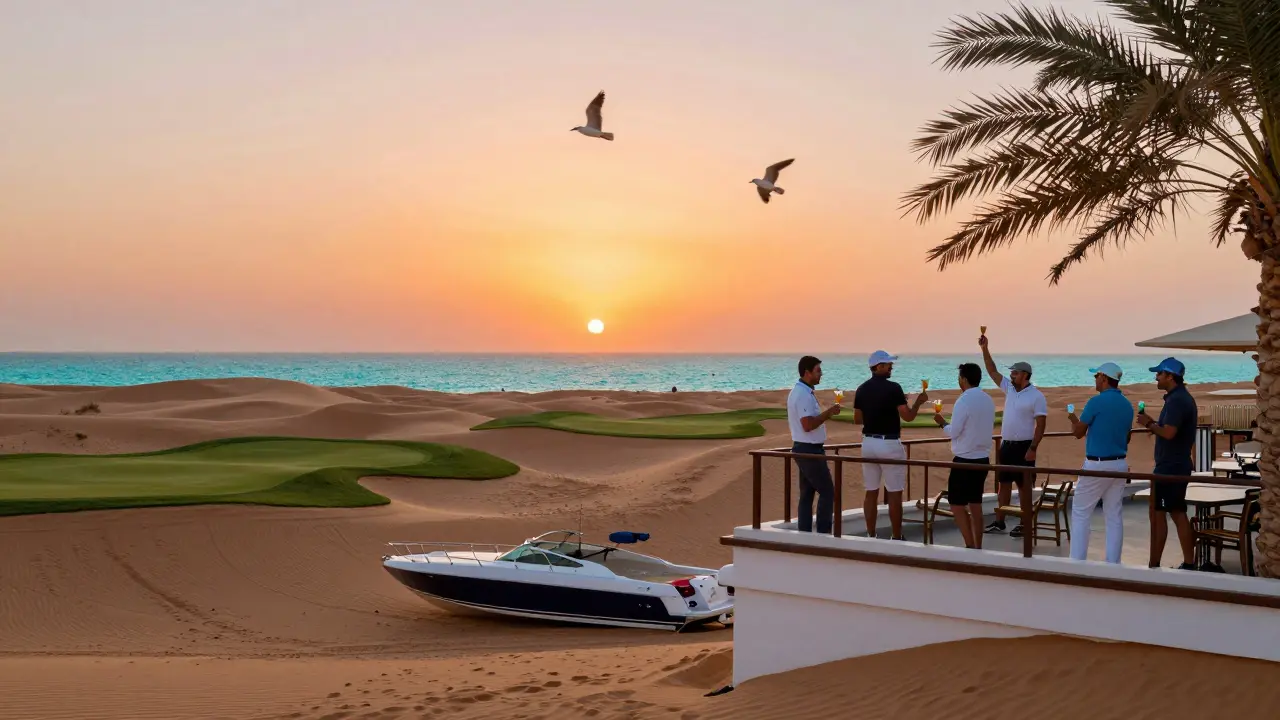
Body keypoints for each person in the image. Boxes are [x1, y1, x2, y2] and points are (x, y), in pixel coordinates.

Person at [853, 350, 929, 539]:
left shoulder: (861, 389)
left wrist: (875, 412)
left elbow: (857, 419)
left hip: (868, 443)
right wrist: (918, 403)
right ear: (878, 366)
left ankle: (871, 535)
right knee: (895, 493)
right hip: (889, 444)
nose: (891, 367)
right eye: (888, 364)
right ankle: (896, 536)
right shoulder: (894, 388)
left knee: (871, 492)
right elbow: (908, 417)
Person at [978, 332, 1048, 537]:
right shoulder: (1009, 388)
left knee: (1024, 487)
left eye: (1015, 373)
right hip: (1006, 445)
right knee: (1004, 485)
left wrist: (1033, 448)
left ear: (1025, 375)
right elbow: (992, 371)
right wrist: (984, 348)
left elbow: (1041, 425)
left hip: (1024, 446)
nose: (1012, 376)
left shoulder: (1036, 396)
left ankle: (1025, 523)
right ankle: (1000, 521)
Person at [1066, 362, 1135, 563]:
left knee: (1081, 512)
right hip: (1119, 464)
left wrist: (1072, 419)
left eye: (1096, 376)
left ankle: (1077, 562)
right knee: (1113, 515)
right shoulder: (1127, 405)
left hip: (1097, 464)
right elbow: (1127, 437)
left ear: (1104, 378)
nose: (1095, 380)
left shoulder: (1095, 402)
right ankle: (1113, 563)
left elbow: (1078, 433)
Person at [1136, 358, 1198, 570]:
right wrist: (1155, 425)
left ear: (1170, 376)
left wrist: (1149, 424)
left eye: (1159, 374)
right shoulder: (1180, 398)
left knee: (1160, 514)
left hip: (1170, 466)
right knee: (1176, 512)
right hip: (1176, 464)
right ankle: (1188, 563)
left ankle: (1155, 565)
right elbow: (1171, 430)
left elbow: (1169, 433)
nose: (1156, 377)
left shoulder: (1177, 401)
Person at [933, 363, 996, 549]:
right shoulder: (988, 400)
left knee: (956, 504)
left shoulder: (964, 401)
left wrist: (942, 423)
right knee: (975, 503)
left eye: (960, 378)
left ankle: (970, 545)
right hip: (982, 458)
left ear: (964, 379)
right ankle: (978, 546)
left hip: (964, 460)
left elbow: (954, 432)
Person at [787, 355, 841, 534]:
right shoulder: (802, 394)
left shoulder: (804, 392)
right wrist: (829, 413)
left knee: (807, 493)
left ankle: (805, 534)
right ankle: (823, 534)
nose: (821, 374)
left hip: (806, 448)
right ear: (807, 372)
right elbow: (808, 424)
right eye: (818, 370)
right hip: (808, 450)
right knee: (827, 491)